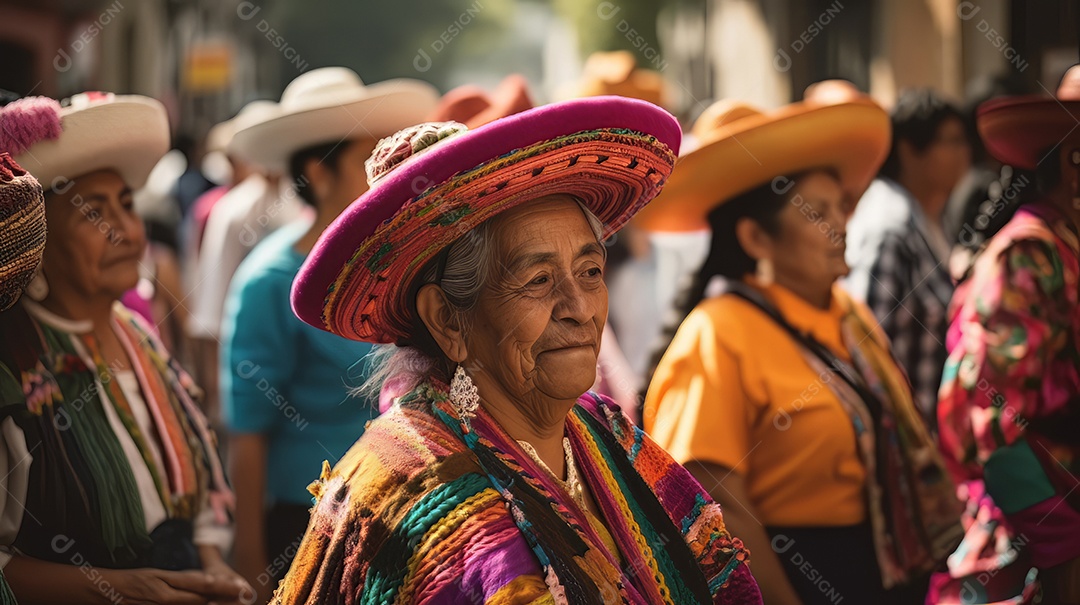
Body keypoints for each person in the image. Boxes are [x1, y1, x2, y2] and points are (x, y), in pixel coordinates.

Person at [271, 97, 762, 604]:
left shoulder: (604, 430)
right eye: (538, 280)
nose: (579, 308)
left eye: (591, 272)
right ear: (447, 319)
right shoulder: (416, 490)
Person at [637, 93, 962, 604]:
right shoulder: (717, 335)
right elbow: (713, 507)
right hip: (799, 576)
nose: (841, 228)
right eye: (817, 214)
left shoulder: (846, 315)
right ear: (756, 238)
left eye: (840, 208)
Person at [0, 92, 250, 604]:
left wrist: (208, 569)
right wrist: (116, 590)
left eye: (127, 205)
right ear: (41, 244)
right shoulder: (13, 364)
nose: (123, 230)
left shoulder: (139, 337)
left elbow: (198, 483)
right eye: (93, 213)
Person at [220, 66, 438, 602]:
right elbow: (247, 432)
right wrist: (249, 559)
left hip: (400, 509)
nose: (378, 175)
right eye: (362, 160)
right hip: (309, 521)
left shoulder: (390, 261)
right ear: (318, 173)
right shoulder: (270, 281)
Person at [934, 64, 1080, 605]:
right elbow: (990, 417)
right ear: (1072, 163)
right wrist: (1063, 547)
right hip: (1035, 549)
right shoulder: (1028, 257)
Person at [844, 89, 972, 428]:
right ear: (909, 149)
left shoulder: (932, 218)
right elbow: (867, 345)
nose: (964, 154)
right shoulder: (890, 227)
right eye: (951, 141)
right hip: (902, 438)